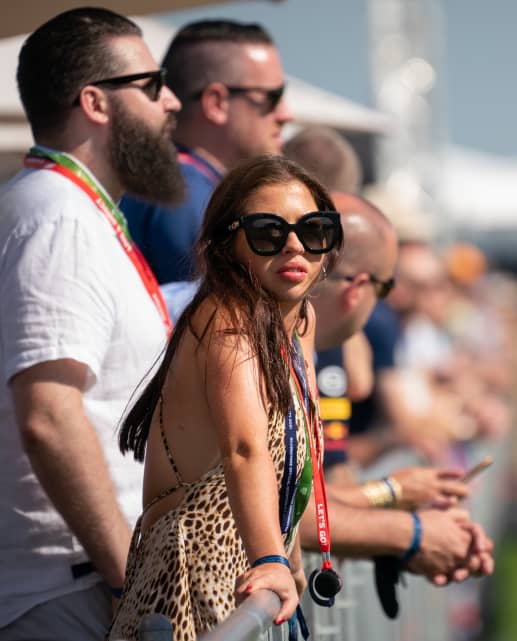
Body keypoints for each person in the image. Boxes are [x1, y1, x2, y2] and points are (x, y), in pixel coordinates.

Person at [0, 8, 182, 641]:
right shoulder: (59, 219)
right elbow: (49, 417)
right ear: (95, 103)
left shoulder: (74, 213)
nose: (172, 102)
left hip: (85, 584)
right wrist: (133, 582)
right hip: (72, 592)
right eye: (154, 85)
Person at [108, 155, 343, 640]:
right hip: (189, 577)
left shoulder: (300, 321)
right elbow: (244, 447)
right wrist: (273, 559)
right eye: (267, 232)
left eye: (314, 229)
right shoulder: (226, 319)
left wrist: (291, 560)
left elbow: (294, 463)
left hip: (248, 577)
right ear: (227, 242)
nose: (294, 246)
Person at [300, 193, 494, 586]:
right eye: (388, 287)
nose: (387, 307)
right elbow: (295, 514)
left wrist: (405, 521)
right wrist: (407, 523)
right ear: (357, 288)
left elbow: (303, 501)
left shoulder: (296, 345)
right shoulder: (259, 344)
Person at [121, 18, 294, 284]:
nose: (286, 114)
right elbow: (226, 319)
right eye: (271, 97)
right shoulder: (187, 193)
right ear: (216, 103)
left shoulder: (167, 181)